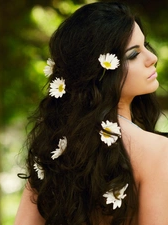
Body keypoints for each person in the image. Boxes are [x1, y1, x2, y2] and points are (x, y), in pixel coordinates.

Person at [14, 1, 168, 225]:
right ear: (100, 71)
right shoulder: (156, 151)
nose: (152, 58)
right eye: (134, 54)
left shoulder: (53, 149)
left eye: (146, 46)